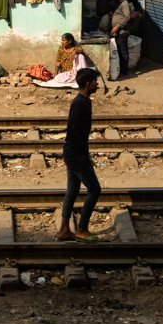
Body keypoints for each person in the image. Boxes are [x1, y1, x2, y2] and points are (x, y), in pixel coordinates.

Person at [57, 67, 102, 242]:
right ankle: (82, 229)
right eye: (95, 82)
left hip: (72, 152)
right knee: (94, 189)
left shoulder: (83, 101)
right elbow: (74, 131)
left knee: (73, 190)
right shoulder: (80, 103)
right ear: (88, 84)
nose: (97, 84)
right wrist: (83, 156)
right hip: (76, 153)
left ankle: (64, 230)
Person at [109, 0, 133, 77]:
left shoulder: (124, 3)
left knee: (123, 51)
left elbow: (127, 17)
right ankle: (120, 70)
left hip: (122, 32)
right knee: (119, 50)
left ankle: (124, 72)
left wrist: (117, 27)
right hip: (118, 32)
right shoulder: (119, 4)